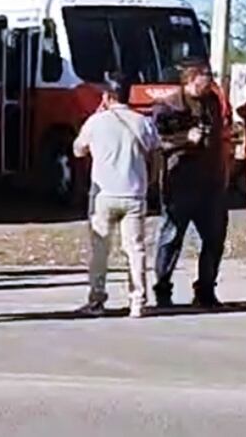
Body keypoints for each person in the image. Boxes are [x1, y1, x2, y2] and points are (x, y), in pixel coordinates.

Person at [73, 76, 160, 318]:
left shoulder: (96, 122)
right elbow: (156, 151)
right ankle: (138, 301)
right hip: (134, 193)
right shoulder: (142, 122)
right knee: (135, 248)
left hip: (104, 195)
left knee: (101, 249)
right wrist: (151, 180)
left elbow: (78, 150)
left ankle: (97, 299)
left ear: (107, 96)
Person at [152, 61, 230, 309]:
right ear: (191, 79)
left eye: (210, 77)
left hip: (211, 182)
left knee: (214, 238)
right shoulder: (167, 106)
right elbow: (158, 142)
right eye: (205, 77)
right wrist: (185, 138)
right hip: (180, 183)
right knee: (171, 237)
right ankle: (163, 288)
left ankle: (206, 290)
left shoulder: (213, 103)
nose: (209, 82)